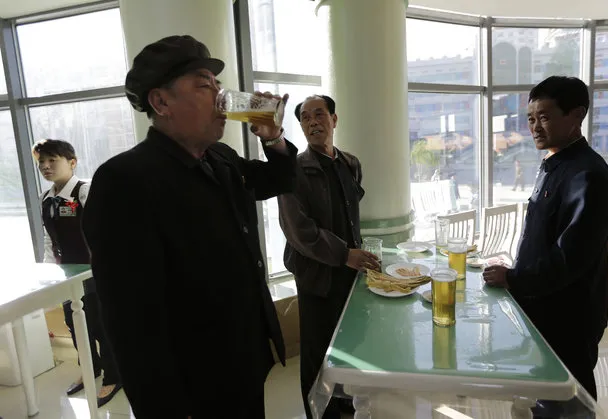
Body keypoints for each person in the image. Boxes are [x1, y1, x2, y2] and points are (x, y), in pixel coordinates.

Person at [81, 35, 297, 419]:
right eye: (203, 84)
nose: (219, 96)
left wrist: (274, 136)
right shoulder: (124, 181)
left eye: (217, 85)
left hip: (244, 354)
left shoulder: (221, 156)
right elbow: (129, 319)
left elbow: (276, 181)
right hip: (192, 382)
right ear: (161, 102)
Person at [483, 76, 608, 417]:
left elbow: (570, 256)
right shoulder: (556, 163)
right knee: (544, 395)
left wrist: (515, 279)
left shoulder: (588, 175)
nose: (534, 127)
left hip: (570, 314)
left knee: (568, 399)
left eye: (544, 117)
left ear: (576, 116)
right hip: (542, 305)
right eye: (530, 118)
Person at [277, 95, 381, 418]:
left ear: (334, 120)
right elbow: (299, 232)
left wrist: (357, 256)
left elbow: (352, 215)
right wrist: (344, 254)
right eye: (305, 118)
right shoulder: (292, 171)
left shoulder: (351, 163)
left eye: (319, 114)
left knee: (349, 348)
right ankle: (317, 414)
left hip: (350, 277)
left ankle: (348, 405)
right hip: (316, 280)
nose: (312, 122)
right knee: (317, 357)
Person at [33, 140, 122, 407]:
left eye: (53, 160)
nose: (46, 167)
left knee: (100, 326)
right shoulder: (46, 198)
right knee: (75, 324)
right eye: (42, 162)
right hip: (65, 274)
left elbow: (108, 233)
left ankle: (113, 376)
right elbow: (50, 239)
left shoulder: (85, 191)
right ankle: (90, 369)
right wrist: (48, 272)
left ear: (72, 163)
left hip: (94, 272)